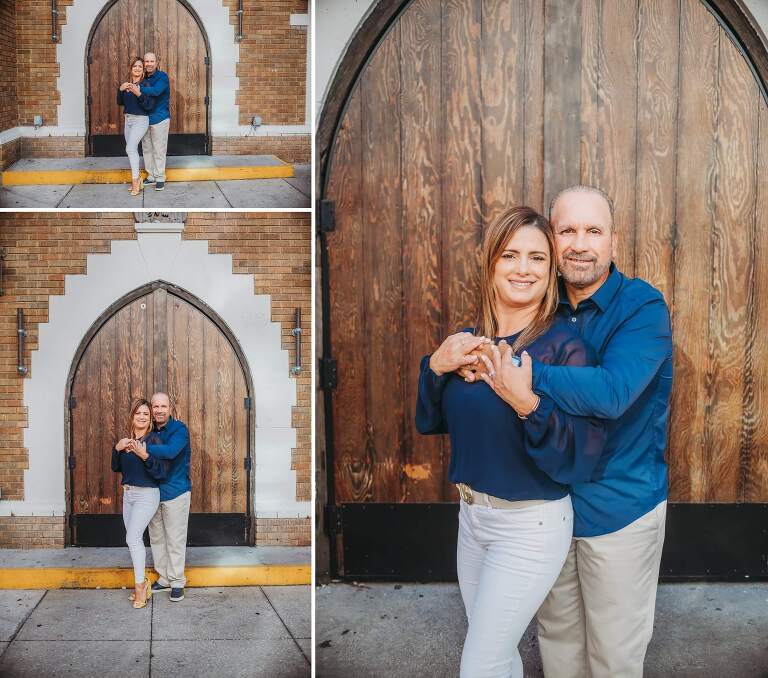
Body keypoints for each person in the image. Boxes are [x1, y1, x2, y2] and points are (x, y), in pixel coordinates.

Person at [477, 186, 673, 678]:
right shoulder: (538, 308)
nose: (580, 243)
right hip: (549, 510)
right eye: (567, 230)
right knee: (558, 648)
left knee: (614, 658)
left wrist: (524, 372)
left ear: (614, 242)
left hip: (619, 510)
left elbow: (611, 392)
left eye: (593, 231)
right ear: (552, 238)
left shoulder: (642, 307)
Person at [416, 206, 606, 678]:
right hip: (472, 519)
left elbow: (577, 459)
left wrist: (527, 404)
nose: (523, 269)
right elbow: (428, 422)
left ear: (551, 271)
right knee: (497, 657)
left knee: (478, 665)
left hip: (530, 528)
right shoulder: (466, 341)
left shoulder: (566, 348)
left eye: (538, 258)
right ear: (491, 263)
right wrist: (435, 366)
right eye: (511, 255)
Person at [127, 392, 191, 602]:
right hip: (153, 493)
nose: (159, 410)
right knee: (157, 538)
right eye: (156, 407)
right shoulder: (150, 431)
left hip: (175, 492)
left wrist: (140, 448)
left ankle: (177, 581)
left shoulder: (179, 429)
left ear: (170, 408)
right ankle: (164, 578)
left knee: (175, 539)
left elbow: (171, 451)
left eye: (163, 406)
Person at [112, 398, 168, 609]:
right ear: (132, 416)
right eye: (138, 413)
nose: (142, 417)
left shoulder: (155, 441)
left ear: (150, 418)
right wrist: (117, 448)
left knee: (133, 537)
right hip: (128, 495)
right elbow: (115, 467)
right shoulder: (126, 441)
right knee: (133, 540)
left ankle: (140, 589)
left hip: (147, 495)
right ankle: (143, 581)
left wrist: (145, 455)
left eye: (146, 413)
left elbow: (161, 473)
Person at [123, 52, 170, 191]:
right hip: (145, 119)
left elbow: (155, 91)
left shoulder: (162, 77)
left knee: (159, 149)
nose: (149, 64)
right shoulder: (143, 77)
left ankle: (160, 177)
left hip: (159, 118)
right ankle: (151, 176)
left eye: (151, 61)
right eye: (147, 61)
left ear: (157, 62)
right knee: (147, 149)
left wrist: (135, 87)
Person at [117, 56, 154, 196]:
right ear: (131, 69)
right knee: (132, 151)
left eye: (140, 66)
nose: (137, 68)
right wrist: (120, 90)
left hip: (141, 120)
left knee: (130, 148)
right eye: (135, 66)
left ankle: (135, 182)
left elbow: (149, 106)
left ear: (143, 70)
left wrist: (138, 93)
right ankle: (138, 179)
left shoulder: (146, 85)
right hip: (128, 120)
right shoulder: (127, 84)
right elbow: (120, 102)